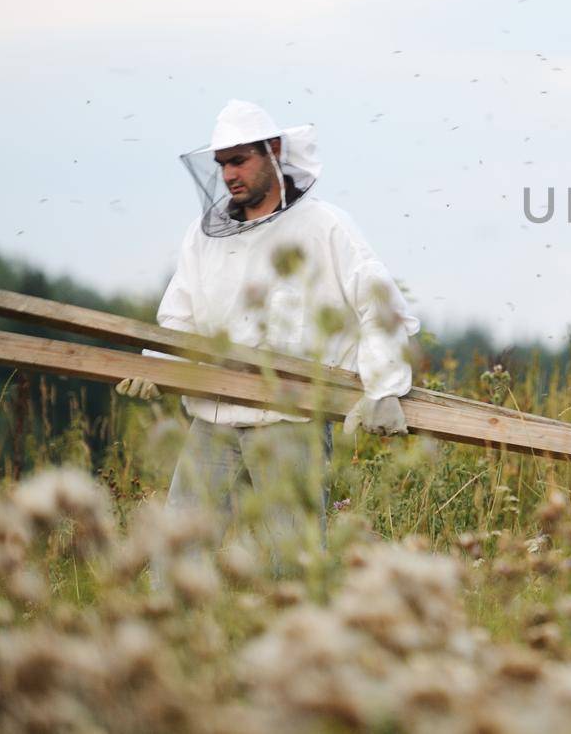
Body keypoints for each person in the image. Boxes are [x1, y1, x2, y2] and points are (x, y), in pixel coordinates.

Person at [116, 99, 419, 570]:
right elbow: (181, 318)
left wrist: (384, 387)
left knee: (293, 566)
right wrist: (157, 365)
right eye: (222, 165)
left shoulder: (324, 226)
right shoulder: (203, 237)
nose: (230, 174)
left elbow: (380, 305)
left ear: (273, 151)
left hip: (287, 423)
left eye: (240, 160)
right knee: (175, 559)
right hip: (211, 422)